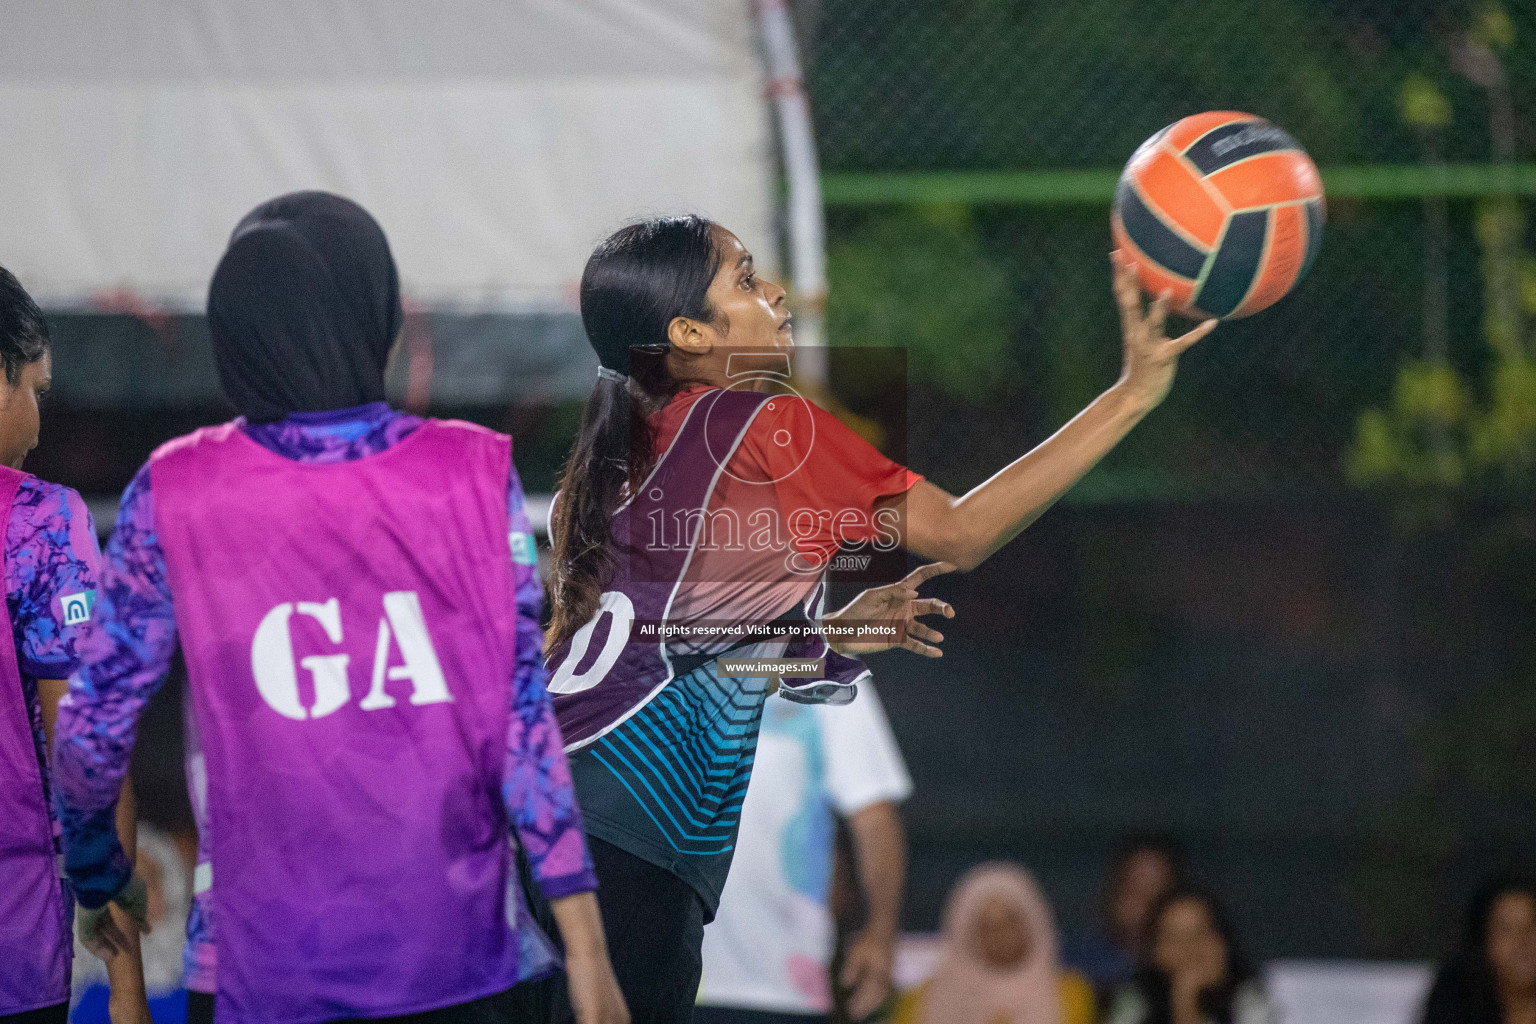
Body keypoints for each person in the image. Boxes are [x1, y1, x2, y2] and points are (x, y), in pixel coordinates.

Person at [542, 214, 1214, 1022]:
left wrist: (822, 637)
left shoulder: (609, 465)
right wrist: (1132, 393)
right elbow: (961, 533)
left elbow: (658, 660)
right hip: (627, 847)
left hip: (544, 822)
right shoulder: (763, 427)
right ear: (689, 333)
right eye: (748, 280)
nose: (778, 292)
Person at [49, 192, 627, 1024]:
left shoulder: (175, 488)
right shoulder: (470, 471)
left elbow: (94, 728)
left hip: (260, 970)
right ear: (378, 317)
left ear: (232, 333)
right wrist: (585, 944)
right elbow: (519, 717)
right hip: (459, 958)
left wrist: (98, 871)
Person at [0, 266, 149, 1024]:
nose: (38, 415)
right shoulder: (38, 524)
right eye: (36, 388)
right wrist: (126, 991)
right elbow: (85, 750)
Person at [696, 681, 912, 1024]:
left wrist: (880, 935)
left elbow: (873, 815)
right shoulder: (644, 655)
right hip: (652, 967)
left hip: (782, 980)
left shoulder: (822, 668)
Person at [890, 862, 1095, 1024]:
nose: (1000, 934)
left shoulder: (1070, 994)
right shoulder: (923, 999)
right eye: (986, 926)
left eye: (1010, 920)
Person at [1104, 887, 1274, 1024]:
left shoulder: (1251, 999)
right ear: (1154, 952)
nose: (1191, 948)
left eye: (1202, 932)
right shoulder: (1135, 1001)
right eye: (1176, 938)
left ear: (1223, 942)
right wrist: (1185, 1006)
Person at [1065, 833, 1187, 1005]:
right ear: (1113, 893)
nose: (1145, 905)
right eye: (1133, 890)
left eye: (1158, 895)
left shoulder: (1194, 971)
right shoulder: (1073, 967)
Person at [1420, 874, 1536, 1024]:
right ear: (1483, 942)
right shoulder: (1454, 1005)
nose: (1522, 941)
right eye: (1506, 929)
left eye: (1532, 926)